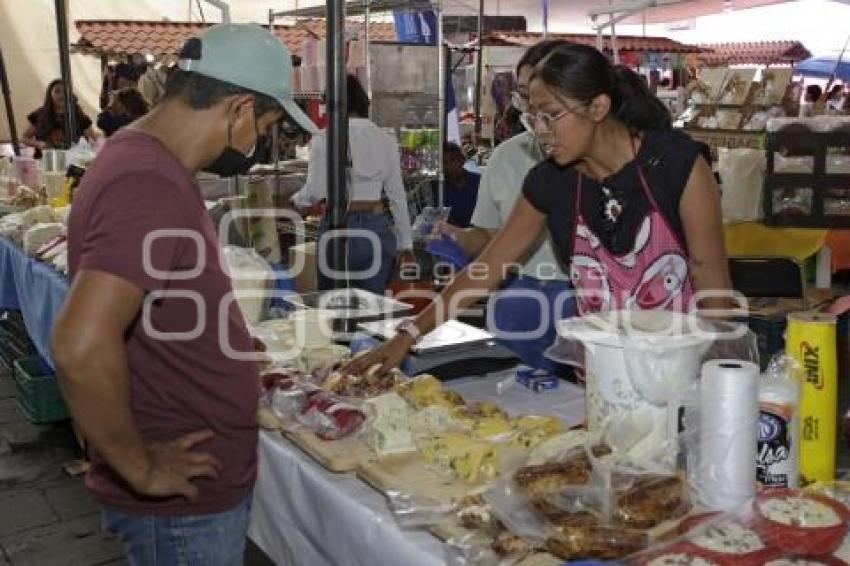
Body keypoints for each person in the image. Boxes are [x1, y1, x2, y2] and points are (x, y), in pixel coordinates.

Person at [50, 24, 316, 565]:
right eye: (263, 126)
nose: (257, 144)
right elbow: (79, 343)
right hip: (181, 509)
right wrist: (140, 468)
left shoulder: (137, 155)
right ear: (239, 107)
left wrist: (218, 345)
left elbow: (144, 305)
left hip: (187, 486)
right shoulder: (147, 181)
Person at [348, 43, 731, 374]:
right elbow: (484, 271)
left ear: (598, 106)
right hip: (602, 371)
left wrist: (719, 378)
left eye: (551, 116)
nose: (540, 130)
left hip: (681, 368)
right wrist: (407, 335)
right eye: (533, 117)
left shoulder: (676, 165)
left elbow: (712, 284)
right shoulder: (550, 182)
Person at [439, 39, 574, 373]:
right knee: (513, 397)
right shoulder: (507, 156)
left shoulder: (597, 164)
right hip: (517, 292)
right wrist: (459, 237)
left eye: (542, 97)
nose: (531, 107)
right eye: (525, 96)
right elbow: (489, 237)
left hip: (579, 298)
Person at [292, 74, 414, 295]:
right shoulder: (386, 139)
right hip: (377, 226)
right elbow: (397, 195)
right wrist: (406, 243)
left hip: (339, 223)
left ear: (333, 105)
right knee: (372, 306)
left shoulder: (325, 138)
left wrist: (294, 202)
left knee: (333, 305)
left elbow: (315, 191)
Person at [23, 79, 96, 155]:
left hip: (73, 162)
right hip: (46, 161)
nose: (61, 95)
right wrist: (39, 144)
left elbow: (93, 140)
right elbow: (24, 138)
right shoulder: (39, 114)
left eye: (65, 91)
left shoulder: (79, 115)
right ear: (50, 94)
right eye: (57, 91)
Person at [442, 142, 480, 228]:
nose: (448, 166)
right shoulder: (441, 190)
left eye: (452, 160)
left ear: (462, 159)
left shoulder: (479, 181)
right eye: (444, 163)